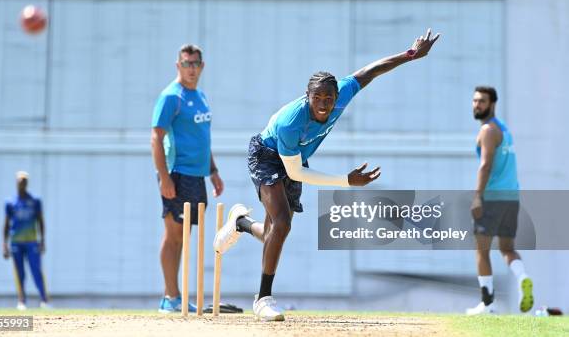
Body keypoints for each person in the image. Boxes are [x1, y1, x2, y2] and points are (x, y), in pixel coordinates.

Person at [214, 29, 441, 321]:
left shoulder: (343, 93)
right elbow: (295, 171)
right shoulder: (290, 122)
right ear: (307, 97)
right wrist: (346, 181)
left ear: (337, 96)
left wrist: (410, 54)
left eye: (329, 98)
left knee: (275, 232)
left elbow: (370, 72)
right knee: (282, 224)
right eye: (317, 98)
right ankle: (263, 298)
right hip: (268, 155)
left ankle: (241, 223)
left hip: (296, 157)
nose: (323, 104)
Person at [151, 44, 224, 313]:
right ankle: (170, 297)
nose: (191, 69)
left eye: (195, 64)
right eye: (186, 64)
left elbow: (203, 140)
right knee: (173, 236)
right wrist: (164, 178)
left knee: (185, 236)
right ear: (178, 66)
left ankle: (175, 297)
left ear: (202, 66)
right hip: (177, 173)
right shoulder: (172, 97)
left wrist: (213, 171)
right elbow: (155, 138)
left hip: (198, 176)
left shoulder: (201, 96)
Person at [466, 86, 533, 315]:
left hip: (492, 199)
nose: (477, 105)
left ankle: (487, 304)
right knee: (507, 249)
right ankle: (523, 277)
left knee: (481, 250)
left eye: (481, 101)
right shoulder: (504, 129)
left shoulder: (487, 130)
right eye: (475, 101)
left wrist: (477, 197)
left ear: (492, 104)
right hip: (511, 198)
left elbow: (485, 165)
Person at [3, 171, 49, 310]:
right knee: (19, 273)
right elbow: (6, 224)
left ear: (27, 183)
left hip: (31, 241)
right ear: (16, 182)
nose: (22, 183)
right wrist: (4, 244)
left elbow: (40, 221)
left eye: (25, 181)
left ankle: (44, 300)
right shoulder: (10, 202)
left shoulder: (35, 201)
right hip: (16, 241)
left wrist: (42, 240)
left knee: (36, 270)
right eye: (20, 181)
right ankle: (22, 301)